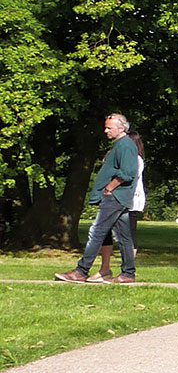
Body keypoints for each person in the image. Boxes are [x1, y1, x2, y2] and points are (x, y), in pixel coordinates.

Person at [55, 114, 140, 284]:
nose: (106, 130)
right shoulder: (121, 145)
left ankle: (81, 271)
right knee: (123, 236)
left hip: (115, 197)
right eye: (106, 127)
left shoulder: (125, 146)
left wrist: (110, 187)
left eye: (109, 127)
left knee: (97, 232)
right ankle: (127, 274)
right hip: (119, 197)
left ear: (121, 128)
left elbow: (129, 172)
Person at [88, 131, 145, 282]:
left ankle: (125, 271)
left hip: (129, 199)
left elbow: (126, 175)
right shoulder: (122, 153)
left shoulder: (134, 158)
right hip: (116, 198)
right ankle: (107, 269)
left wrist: (109, 188)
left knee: (125, 234)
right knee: (107, 232)